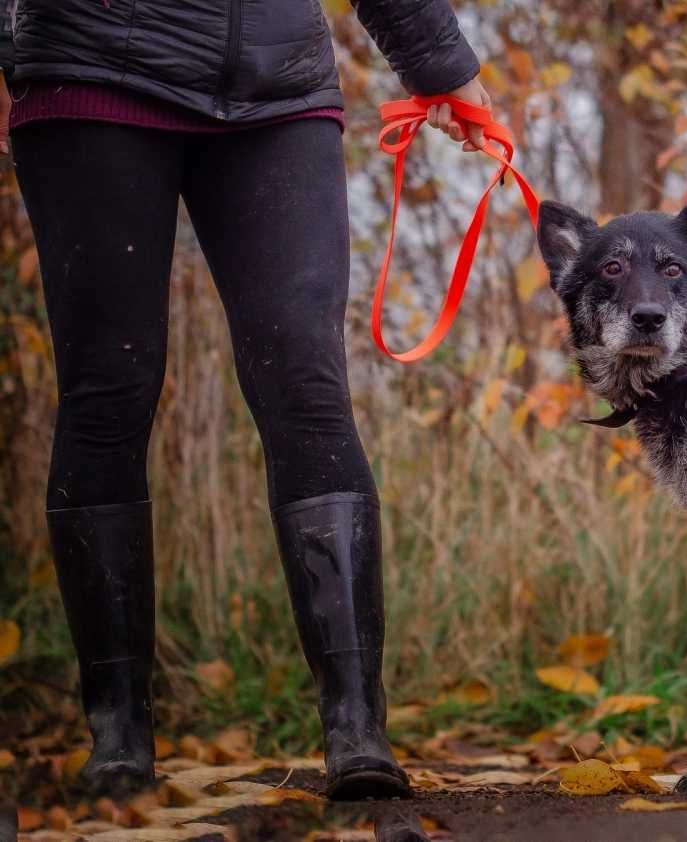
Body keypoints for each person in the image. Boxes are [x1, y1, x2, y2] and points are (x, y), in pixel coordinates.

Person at [0, 0, 489, 800]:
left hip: (277, 87)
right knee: (109, 389)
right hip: (93, 69)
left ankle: (357, 728)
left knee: (307, 379)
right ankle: (119, 733)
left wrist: (441, 67)